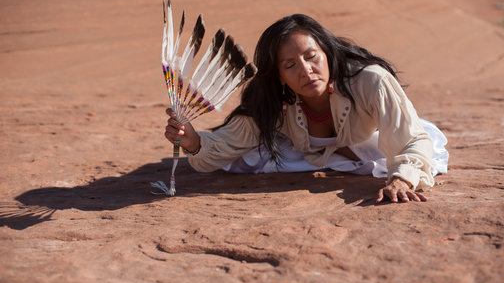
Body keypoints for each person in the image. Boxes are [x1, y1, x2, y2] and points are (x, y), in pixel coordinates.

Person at [164, 14, 448, 203]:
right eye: (290, 66)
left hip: (367, 141)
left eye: (312, 57)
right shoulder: (273, 100)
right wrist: (194, 141)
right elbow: (225, 144)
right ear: (278, 75)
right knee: (247, 159)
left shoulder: (371, 81)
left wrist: (402, 180)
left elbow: (409, 139)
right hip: (300, 151)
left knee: (399, 154)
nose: (306, 71)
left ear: (327, 53)